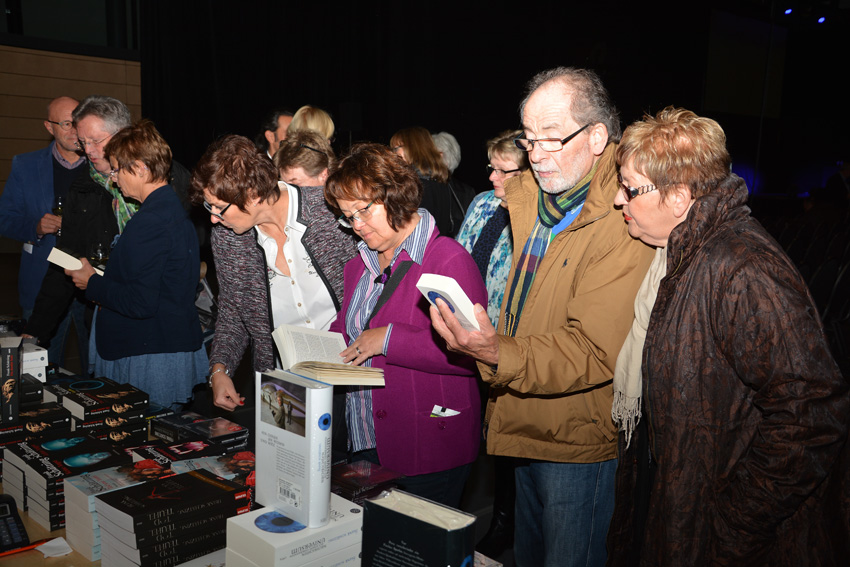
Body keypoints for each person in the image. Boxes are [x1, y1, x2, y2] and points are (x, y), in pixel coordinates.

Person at [430, 67, 654, 567]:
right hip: (523, 414)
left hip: (578, 438)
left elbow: (593, 350)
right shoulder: (533, 197)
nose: (536, 154)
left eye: (552, 139)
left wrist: (493, 351)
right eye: (528, 139)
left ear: (598, 137)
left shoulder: (626, 216)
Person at [606, 107, 849, 566]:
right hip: (682, 516)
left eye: (630, 188)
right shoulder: (684, 254)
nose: (619, 201)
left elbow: (813, 415)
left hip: (721, 538)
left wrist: (733, 524)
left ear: (678, 197)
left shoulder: (743, 268)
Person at [324, 142, 487, 508]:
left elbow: (471, 354)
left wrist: (388, 340)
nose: (356, 226)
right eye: (347, 216)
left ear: (395, 195)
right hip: (365, 436)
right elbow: (350, 329)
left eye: (363, 211)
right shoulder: (358, 266)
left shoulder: (447, 259)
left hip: (427, 444)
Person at [189, 135, 357, 411]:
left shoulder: (329, 209)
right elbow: (233, 309)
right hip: (284, 387)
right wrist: (219, 370)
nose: (213, 218)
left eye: (220, 207)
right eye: (210, 207)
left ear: (253, 195)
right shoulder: (228, 238)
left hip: (351, 378)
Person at [65, 119, 207, 409]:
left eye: (117, 169)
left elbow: (140, 302)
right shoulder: (169, 210)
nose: (115, 178)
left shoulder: (152, 222)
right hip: (161, 345)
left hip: (149, 353)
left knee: (147, 443)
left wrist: (91, 282)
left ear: (141, 168)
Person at [454, 129, 527, 559]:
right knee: (475, 437)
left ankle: (505, 523)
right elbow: (461, 259)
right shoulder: (482, 204)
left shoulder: (539, 219)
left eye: (505, 170)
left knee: (506, 446)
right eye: (492, 168)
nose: (494, 177)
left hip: (510, 347)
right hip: (467, 339)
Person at [23, 95, 134, 367]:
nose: (89, 150)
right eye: (84, 143)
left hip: (155, 322)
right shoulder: (81, 188)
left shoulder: (165, 180)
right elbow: (64, 258)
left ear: (123, 135)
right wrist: (35, 330)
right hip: (105, 316)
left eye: (97, 141)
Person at [0, 96, 88, 367]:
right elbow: (5, 219)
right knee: (42, 366)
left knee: (97, 368)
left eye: (77, 122)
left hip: (92, 281)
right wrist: (35, 228)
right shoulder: (25, 165)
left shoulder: (101, 165)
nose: (74, 131)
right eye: (65, 124)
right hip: (42, 281)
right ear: (49, 127)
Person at [391, 127, 465, 238]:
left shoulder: (418, 185)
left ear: (414, 147)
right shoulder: (438, 180)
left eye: (397, 148)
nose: (393, 154)